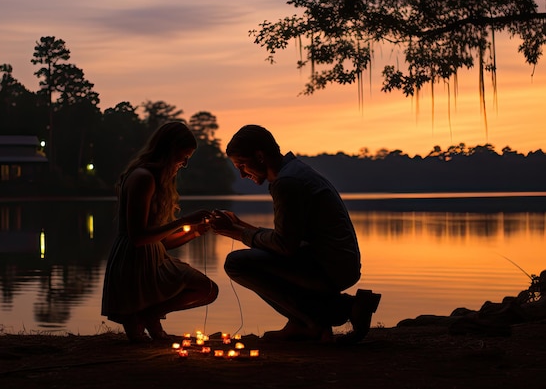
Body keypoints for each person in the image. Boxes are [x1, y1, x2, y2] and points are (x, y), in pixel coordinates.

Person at [210, 124, 380, 343]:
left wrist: (236, 233)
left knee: (236, 263)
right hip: (330, 261)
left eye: (242, 165)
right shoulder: (292, 173)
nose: (242, 174)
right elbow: (289, 237)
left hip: (330, 267)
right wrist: (240, 225)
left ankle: (320, 319)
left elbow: (284, 245)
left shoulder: (287, 183)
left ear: (260, 156)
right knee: (257, 259)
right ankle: (315, 318)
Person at [101, 121, 218, 342]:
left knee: (208, 290)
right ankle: (148, 318)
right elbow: (138, 237)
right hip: (133, 264)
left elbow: (161, 242)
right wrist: (183, 220)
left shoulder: (156, 179)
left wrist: (194, 231)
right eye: (184, 157)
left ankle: (150, 317)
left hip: (153, 258)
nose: (183, 164)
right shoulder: (142, 178)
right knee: (137, 341)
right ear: (169, 150)